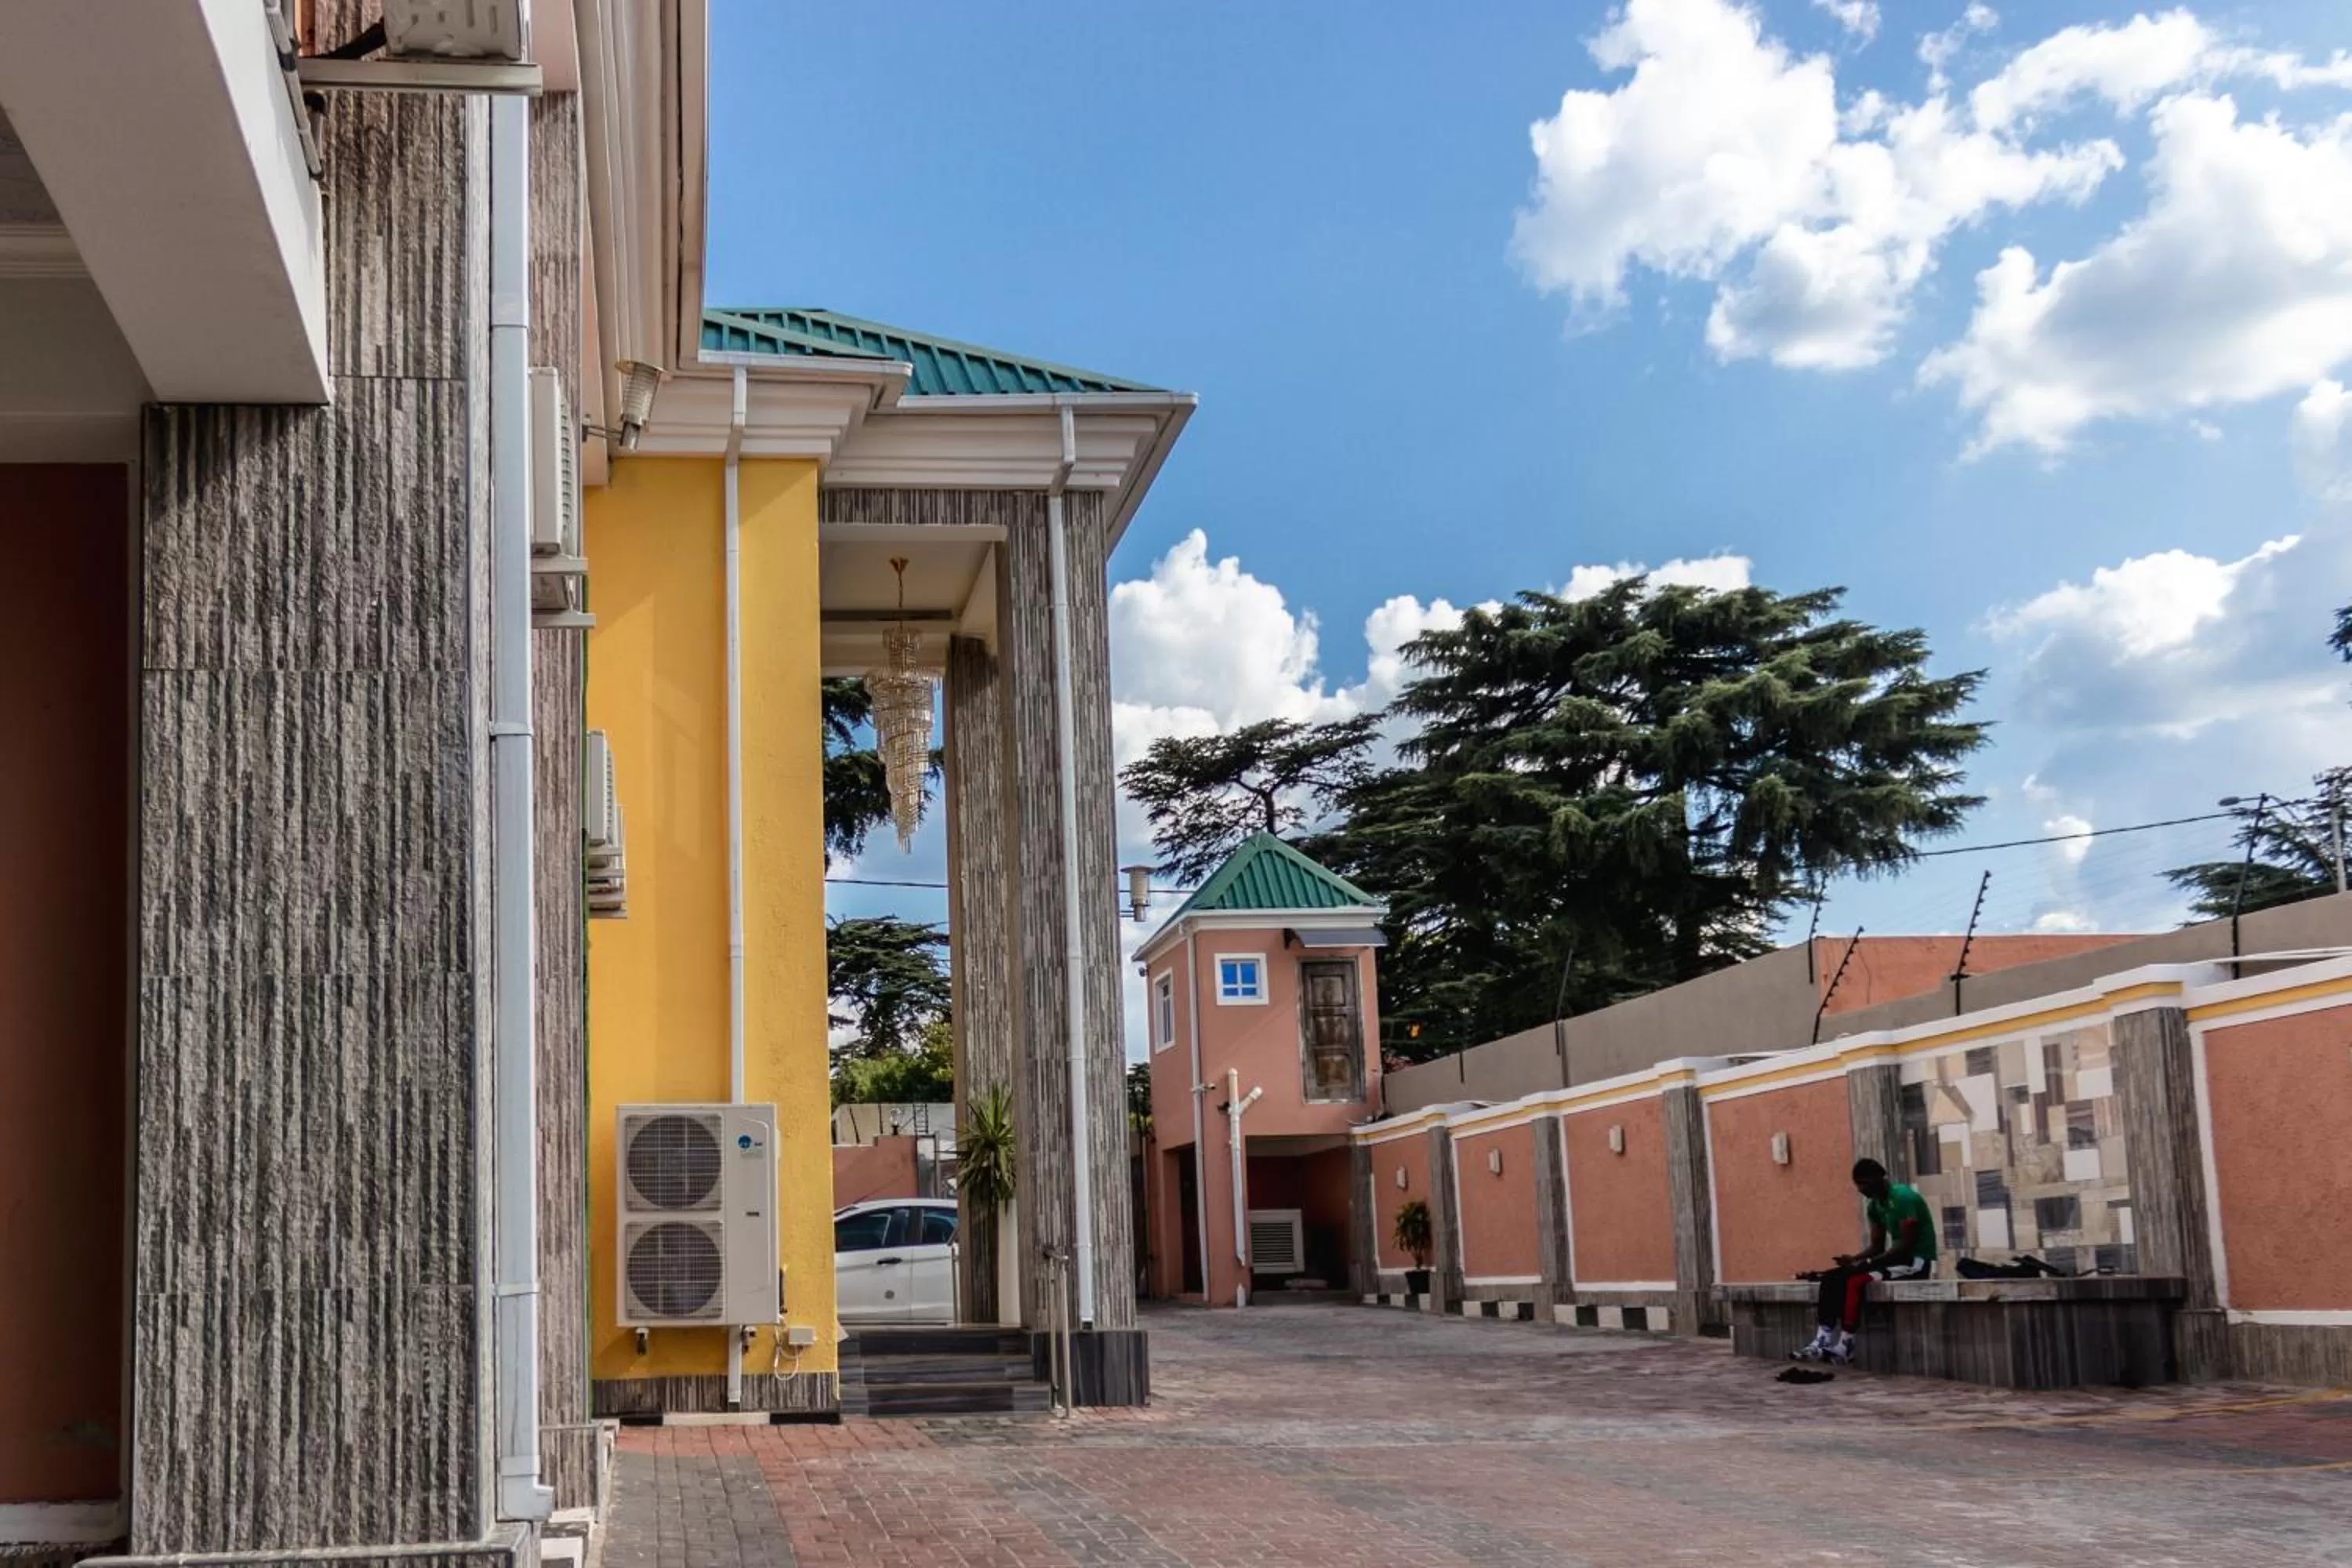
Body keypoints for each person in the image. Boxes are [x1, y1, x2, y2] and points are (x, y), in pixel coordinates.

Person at [1792, 1157, 1936, 1364]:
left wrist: (1867, 1264)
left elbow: (1905, 1245)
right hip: (1894, 1260)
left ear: (1879, 1178)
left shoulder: (1904, 1197)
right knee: (1833, 1277)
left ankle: (1846, 1346)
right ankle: (1821, 1340)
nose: (1860, 1189)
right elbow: (1877, 1247)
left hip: (1914, 1263)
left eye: (1864, 1183)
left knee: (1855, 1281)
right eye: (1858, 1184)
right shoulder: (1874, 1206)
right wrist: (1854, 1259)